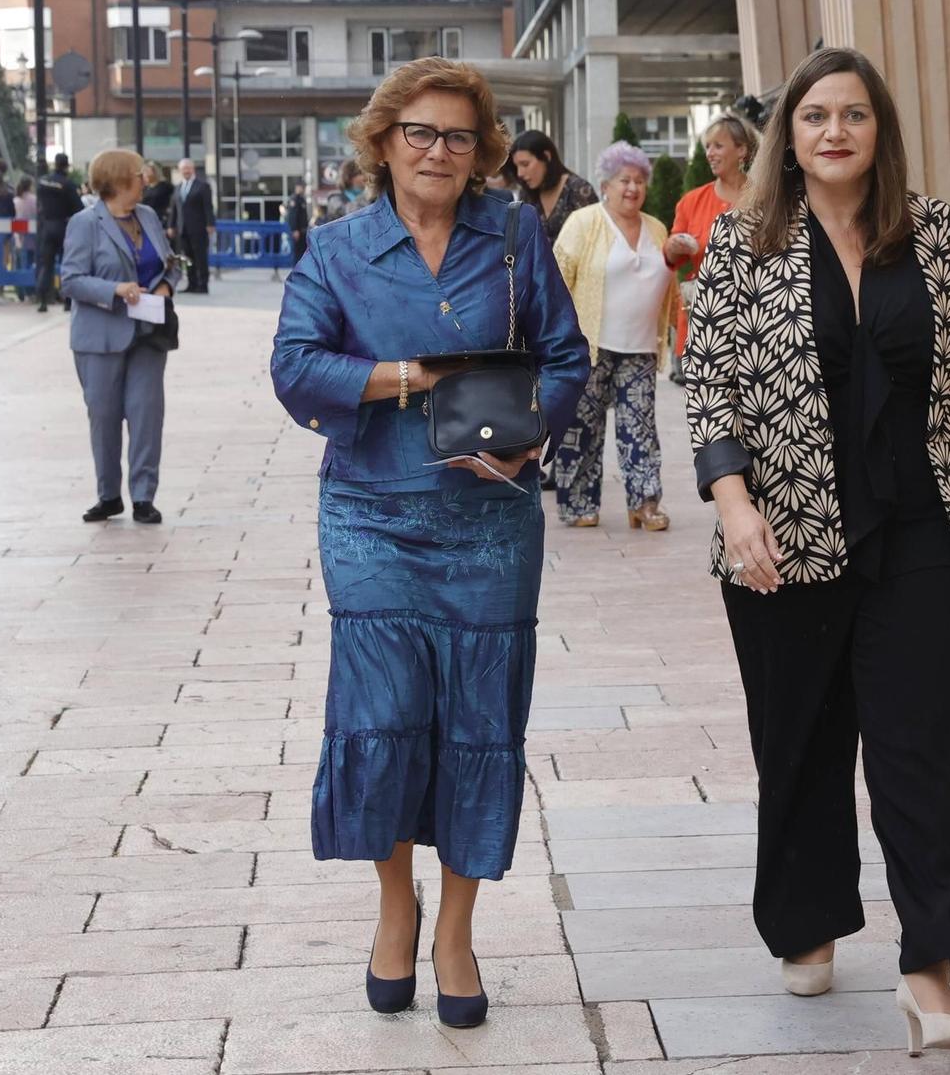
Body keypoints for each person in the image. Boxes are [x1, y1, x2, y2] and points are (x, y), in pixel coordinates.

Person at [682, 47, 950, 1053]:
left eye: (852, 114)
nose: (833, 131)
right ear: (786, 138)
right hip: (782, 533)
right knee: (797, 743)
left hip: (923, 526)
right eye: (814, 116)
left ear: (877, 130)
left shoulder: (934, 234)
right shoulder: (742, 241)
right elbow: (706, 383)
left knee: (913, 745)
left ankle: (928, 968)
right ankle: (806, 920)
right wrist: (732, 504)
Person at [270, 57, 590, 1027]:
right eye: (419, 132)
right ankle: (392, 906)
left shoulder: (513, 239)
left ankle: (455, 928)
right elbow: (293, 367)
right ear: (382, 141)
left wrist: (532, 435)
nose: (438, 151)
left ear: (481, 150)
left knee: (477, 724)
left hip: (490, 521)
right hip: (371, 508)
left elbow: (566, 357)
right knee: (384, 715)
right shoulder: (337, 249)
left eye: (458, 136)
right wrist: (402, 376)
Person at [551, 142, 677, 531]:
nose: (633, 188)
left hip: (639, 346)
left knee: (639, 427)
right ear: (606, 184)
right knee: (582, 428)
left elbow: (665, 281)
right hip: (590, 345)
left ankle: (645, 502)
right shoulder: (585, 223)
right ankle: (577, 504)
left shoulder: (656, 227)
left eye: (640, 181)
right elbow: (556, 278)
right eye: (625, 180)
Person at [61, 150, 182, 526]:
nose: (145, 179)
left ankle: (144, 496)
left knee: (147, 416)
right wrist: (114, 289)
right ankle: (108, 495)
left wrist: (165, 284)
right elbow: (71, 279)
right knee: (105, 417)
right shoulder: (85, 223)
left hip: (148, 333)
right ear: (117, 180)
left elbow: (170, 262)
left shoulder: (147, 217)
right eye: (137, 174)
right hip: (100, 337)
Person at [667, 111, 760, 361]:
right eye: (707, 147)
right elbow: (671, 258)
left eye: (718, 146)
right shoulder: (691, 201)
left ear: (741, 150)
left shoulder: (765, 198)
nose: (709, 153)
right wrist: (674, 246)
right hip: (704, 327)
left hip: (756, 322)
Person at [503, 129, 597, 242]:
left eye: (525, 164)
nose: (520, 173)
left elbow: (595, 239)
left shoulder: (579, 190)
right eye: (517, 167)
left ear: (546, 156)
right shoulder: (526, 195)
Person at [36, 154, 86, 314]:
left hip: (46, 226)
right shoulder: (68, 184)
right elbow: (78, 207)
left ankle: (43, 300)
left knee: (46, 265)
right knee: (68, 264)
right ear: (66, 166)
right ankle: (67, 301)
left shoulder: (42, 182)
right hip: (64, 226)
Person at [174, 158, 215, 294]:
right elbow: (175, 209)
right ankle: (191, 284)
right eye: (183, 169)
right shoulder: (178, 188)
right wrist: (171, 225)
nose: (186, 171)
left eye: (188, 168)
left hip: (199, 228)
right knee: (188, 258)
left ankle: (203, 285)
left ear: (193, 169)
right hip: (182, 229)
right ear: (180, 171)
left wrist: (210, 224)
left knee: (200, 257)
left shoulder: (203, 186)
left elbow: (208, 207)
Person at [143, 161, 176, 226]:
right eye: (144, 172)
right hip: (147, 221)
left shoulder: (166, 186)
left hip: (161, 221)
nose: (145, 174)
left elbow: (173, 204)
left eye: (147, 171)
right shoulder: (145, 188)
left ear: (155, 172)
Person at [286, 185, 310, 266]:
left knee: (302, 252)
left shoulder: (302, 199)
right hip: (298, 231)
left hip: (303, 231)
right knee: (297, 253)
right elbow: (293, 215)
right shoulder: (295, 199)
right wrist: (294, 229)